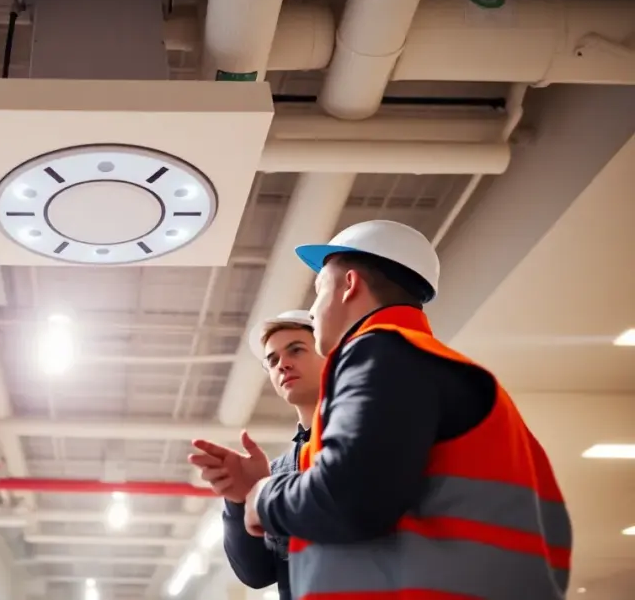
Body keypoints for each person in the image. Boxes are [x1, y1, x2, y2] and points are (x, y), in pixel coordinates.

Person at [191, 219, 572, 599]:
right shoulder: (433, 367)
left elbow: (350, 499)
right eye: (272, 360)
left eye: (319, 290)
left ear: (349, 285)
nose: (315, 309)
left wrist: (264, 495)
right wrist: (250, 495)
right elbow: (263, 568)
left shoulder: (382, 351)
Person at [188, 310, 324, 600]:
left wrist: (268, 496)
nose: (282, 364)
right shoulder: (277, 472)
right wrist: (242, 501)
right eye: (272, 360)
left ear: (329, 353)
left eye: (296, 350)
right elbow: (256, 573)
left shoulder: (363, 438)